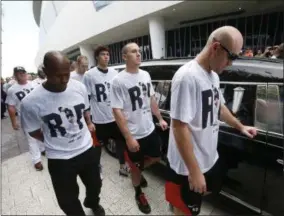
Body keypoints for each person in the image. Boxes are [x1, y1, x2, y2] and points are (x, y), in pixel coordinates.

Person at [165, 26, 258, 216]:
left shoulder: (213, 76)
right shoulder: (187, 77)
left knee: (209, 188)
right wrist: (194, 171)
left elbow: (219, 107)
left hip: (208, 156)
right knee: (186, 210)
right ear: (216, 47)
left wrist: (240, 127)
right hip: (187, 165)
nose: (231, 64)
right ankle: (177, 206)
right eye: (231, 57)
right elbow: (179, 126)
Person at [20, 51, 105, 216]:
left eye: (67, 74)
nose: (64, 80)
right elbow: (33, 130)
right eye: (58, 76)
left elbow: (85, 109)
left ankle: (92, 203)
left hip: (86, 149)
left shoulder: (79, 87)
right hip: (59, 159)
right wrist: (53, 140)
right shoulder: (30, 102)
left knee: (95, 184)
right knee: (67, 201)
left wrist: (88, 122)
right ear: (46, 71)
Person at [110, 42, 168, 214]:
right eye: (134, 51)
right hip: (134, 134)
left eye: (139, 51)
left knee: (157, 158)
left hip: (149, 129)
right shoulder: (118, 81)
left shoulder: (145, 75)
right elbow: (117, 110)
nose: (138, 54)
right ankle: (138, 192)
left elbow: (151, 100)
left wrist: (159, 118)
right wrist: (128, 137)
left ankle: (136, 169)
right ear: (124, 57)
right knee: (136, 168)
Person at [83, 45, 130, 177]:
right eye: (103, 54)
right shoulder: (89, 75)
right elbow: (86, 98)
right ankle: (97, 167)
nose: (106, 56)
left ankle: (122, 165)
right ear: (97, 57)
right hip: (99, 118)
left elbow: (120, 95)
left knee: (121, 142)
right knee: (97, 146)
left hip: (115, 117)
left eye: (107, 54)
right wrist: (88, 121)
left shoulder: (114, 73)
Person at [6, 66, 45, 170]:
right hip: (26, 118)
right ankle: (37, 161)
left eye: (23, 72)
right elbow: (11, 107)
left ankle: (42, 149)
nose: (22, 74)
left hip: (39, 115)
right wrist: (14, 122)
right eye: (19, 73)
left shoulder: (34, 84)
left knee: (42, 134)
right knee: (31, 139)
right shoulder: (12, 90)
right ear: (15, 75)